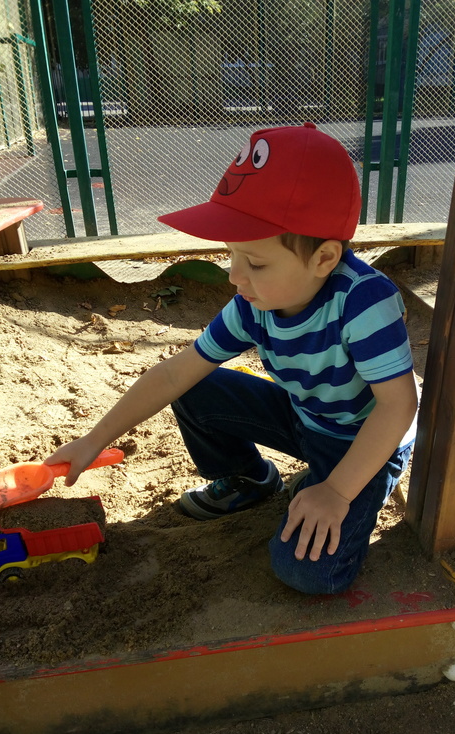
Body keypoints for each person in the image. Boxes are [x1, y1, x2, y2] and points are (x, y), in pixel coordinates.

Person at [46, 122, 418, 595]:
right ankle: (248, 478)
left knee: (308, 571)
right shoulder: (252, 304)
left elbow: (398, 405)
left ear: (324, 259)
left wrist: (337, 491)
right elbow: (175, 374)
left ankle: (336, 485)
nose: (234, 276)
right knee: (193, 386)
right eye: (231, 255)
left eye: (255, 263)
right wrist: (93, 440)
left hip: (363, 439)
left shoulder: (364, 302)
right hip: (304, 417)